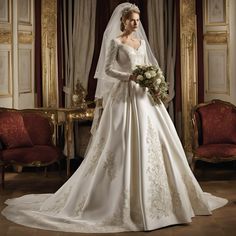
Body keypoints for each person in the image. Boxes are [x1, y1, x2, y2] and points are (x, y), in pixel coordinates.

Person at [1, 2, 227, 233]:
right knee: (119, 142)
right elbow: (106, 70)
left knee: (158, 142)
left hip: (145, 99)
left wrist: (154, 83)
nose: (135, 24)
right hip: (124, 98)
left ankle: (163, 201)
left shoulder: (140, 43)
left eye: (138, 20)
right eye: (132, 20)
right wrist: (130, 77)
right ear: (123, 20)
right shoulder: (115, 42)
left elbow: (149, 67)